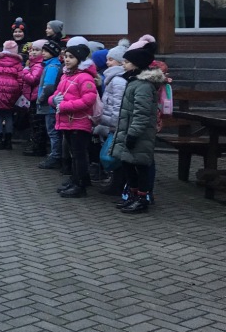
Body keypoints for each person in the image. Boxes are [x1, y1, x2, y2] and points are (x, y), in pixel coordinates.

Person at [112, 36, 166, 214]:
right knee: (128, 165)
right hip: (128, 132)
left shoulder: (142, 85)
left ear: (136, 64)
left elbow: (141, 114)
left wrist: (133, 134)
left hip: (138, 135)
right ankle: (133, 196)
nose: (123, 65)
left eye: (126, 62)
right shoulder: (134, 82)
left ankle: (142, 198)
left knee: (140, 167)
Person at [53, 42, 99, 198]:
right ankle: (76, 179)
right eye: (65, 56)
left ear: (79, 59)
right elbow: (56, 93)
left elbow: (88, 100)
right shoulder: (66, 75)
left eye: (71, 57)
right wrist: (54, 100)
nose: (66, 59)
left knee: (79, 154)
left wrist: (64, 105)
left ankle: (80, 185)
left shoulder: (85, 77)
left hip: (79, 121)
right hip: (67, 120)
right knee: (74, 153)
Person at [93, 42, 130, 195]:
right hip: (110, 122)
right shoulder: (112, 78)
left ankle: (117, 186)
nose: (107, 63)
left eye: (111, 60)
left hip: (114, 124)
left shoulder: (118, 80)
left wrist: (110, 122)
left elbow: (118, 106)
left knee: (115, 156)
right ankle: (115, 183)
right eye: (107, 59)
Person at [0, 39, 24, 149]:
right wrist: (19, 90)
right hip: (12, 90)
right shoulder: (18, 63)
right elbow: (21, 78)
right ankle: (8, 140)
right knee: (9, 115)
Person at [35, 39, 64, 169]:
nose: (44, 53)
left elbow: (48, 87)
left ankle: (55, 156)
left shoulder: (52, 67)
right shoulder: (51, 65)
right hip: (50, 103)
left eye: (46, 51)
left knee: (52, 132)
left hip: (49, 105)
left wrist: (40, 99)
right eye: (43, 50)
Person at [20, 39, 48, 156]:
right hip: (32, 97)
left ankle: (37, 147)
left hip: (35, 97)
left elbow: (33, 79)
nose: (33, 52)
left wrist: (25, 70)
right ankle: (35, 145)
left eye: (37, 50)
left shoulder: (38, 65)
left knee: (37, 124)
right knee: (34, 123)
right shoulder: (34, 64)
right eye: (32, 50)